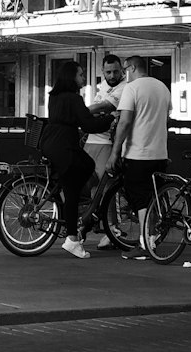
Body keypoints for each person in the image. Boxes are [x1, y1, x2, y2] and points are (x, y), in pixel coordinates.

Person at [39, 59, 111, 260]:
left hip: (51, 142)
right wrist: (110, 119)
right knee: (76, 185)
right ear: (72, 77)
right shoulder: (74, 98)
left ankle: (73, 203)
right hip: (65, 146)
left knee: (82, 171)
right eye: (80, 75)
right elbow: (88, 125)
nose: (83, 78)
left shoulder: (55, 96)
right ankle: (72, 237)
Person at [104, 54, 172, 259]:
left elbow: (124, 123)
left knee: (140, 200)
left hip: (138, 153)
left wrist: (115, 152)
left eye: (125, 70)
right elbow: (165, 120)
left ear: (132, 68)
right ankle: (150, 239)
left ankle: (144, 246)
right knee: (153, 198)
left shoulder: (131, 89)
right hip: (159, 153)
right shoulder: (162, 87)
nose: (124, 74)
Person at [84, 53, 124, 179]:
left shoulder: (125, 86)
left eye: (116, 72)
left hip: (107, 142)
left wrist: (80, 112)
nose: (112, 76)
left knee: (105, 188)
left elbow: (104, 106)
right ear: (102, 71)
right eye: (108, 72)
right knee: (86, 184)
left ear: (122, 69)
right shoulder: (104, 85)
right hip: (91, 140)